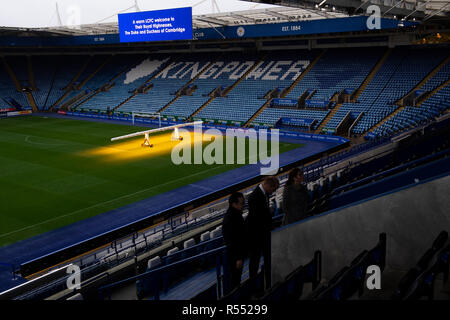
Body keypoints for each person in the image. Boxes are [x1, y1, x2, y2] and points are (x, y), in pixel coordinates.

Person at [246, 176, 279, 288]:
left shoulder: (264, 194)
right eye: (273, 189)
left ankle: (268, 283)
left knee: (267, 259)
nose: (273, 192)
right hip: (256, 237)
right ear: (268, 186)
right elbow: (257, 219)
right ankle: (254, 287)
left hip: (263, 235)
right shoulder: (254, 197)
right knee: (254, 263)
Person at [222, 192, 247, 291]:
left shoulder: (235, 214)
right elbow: (232, 240)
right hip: (234, 257)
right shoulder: (231, 218)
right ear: (234, 204)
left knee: (236, 281)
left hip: (236, 255)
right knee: (234, 282)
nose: (243, 205)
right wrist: (238, 258)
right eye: (241, 203)